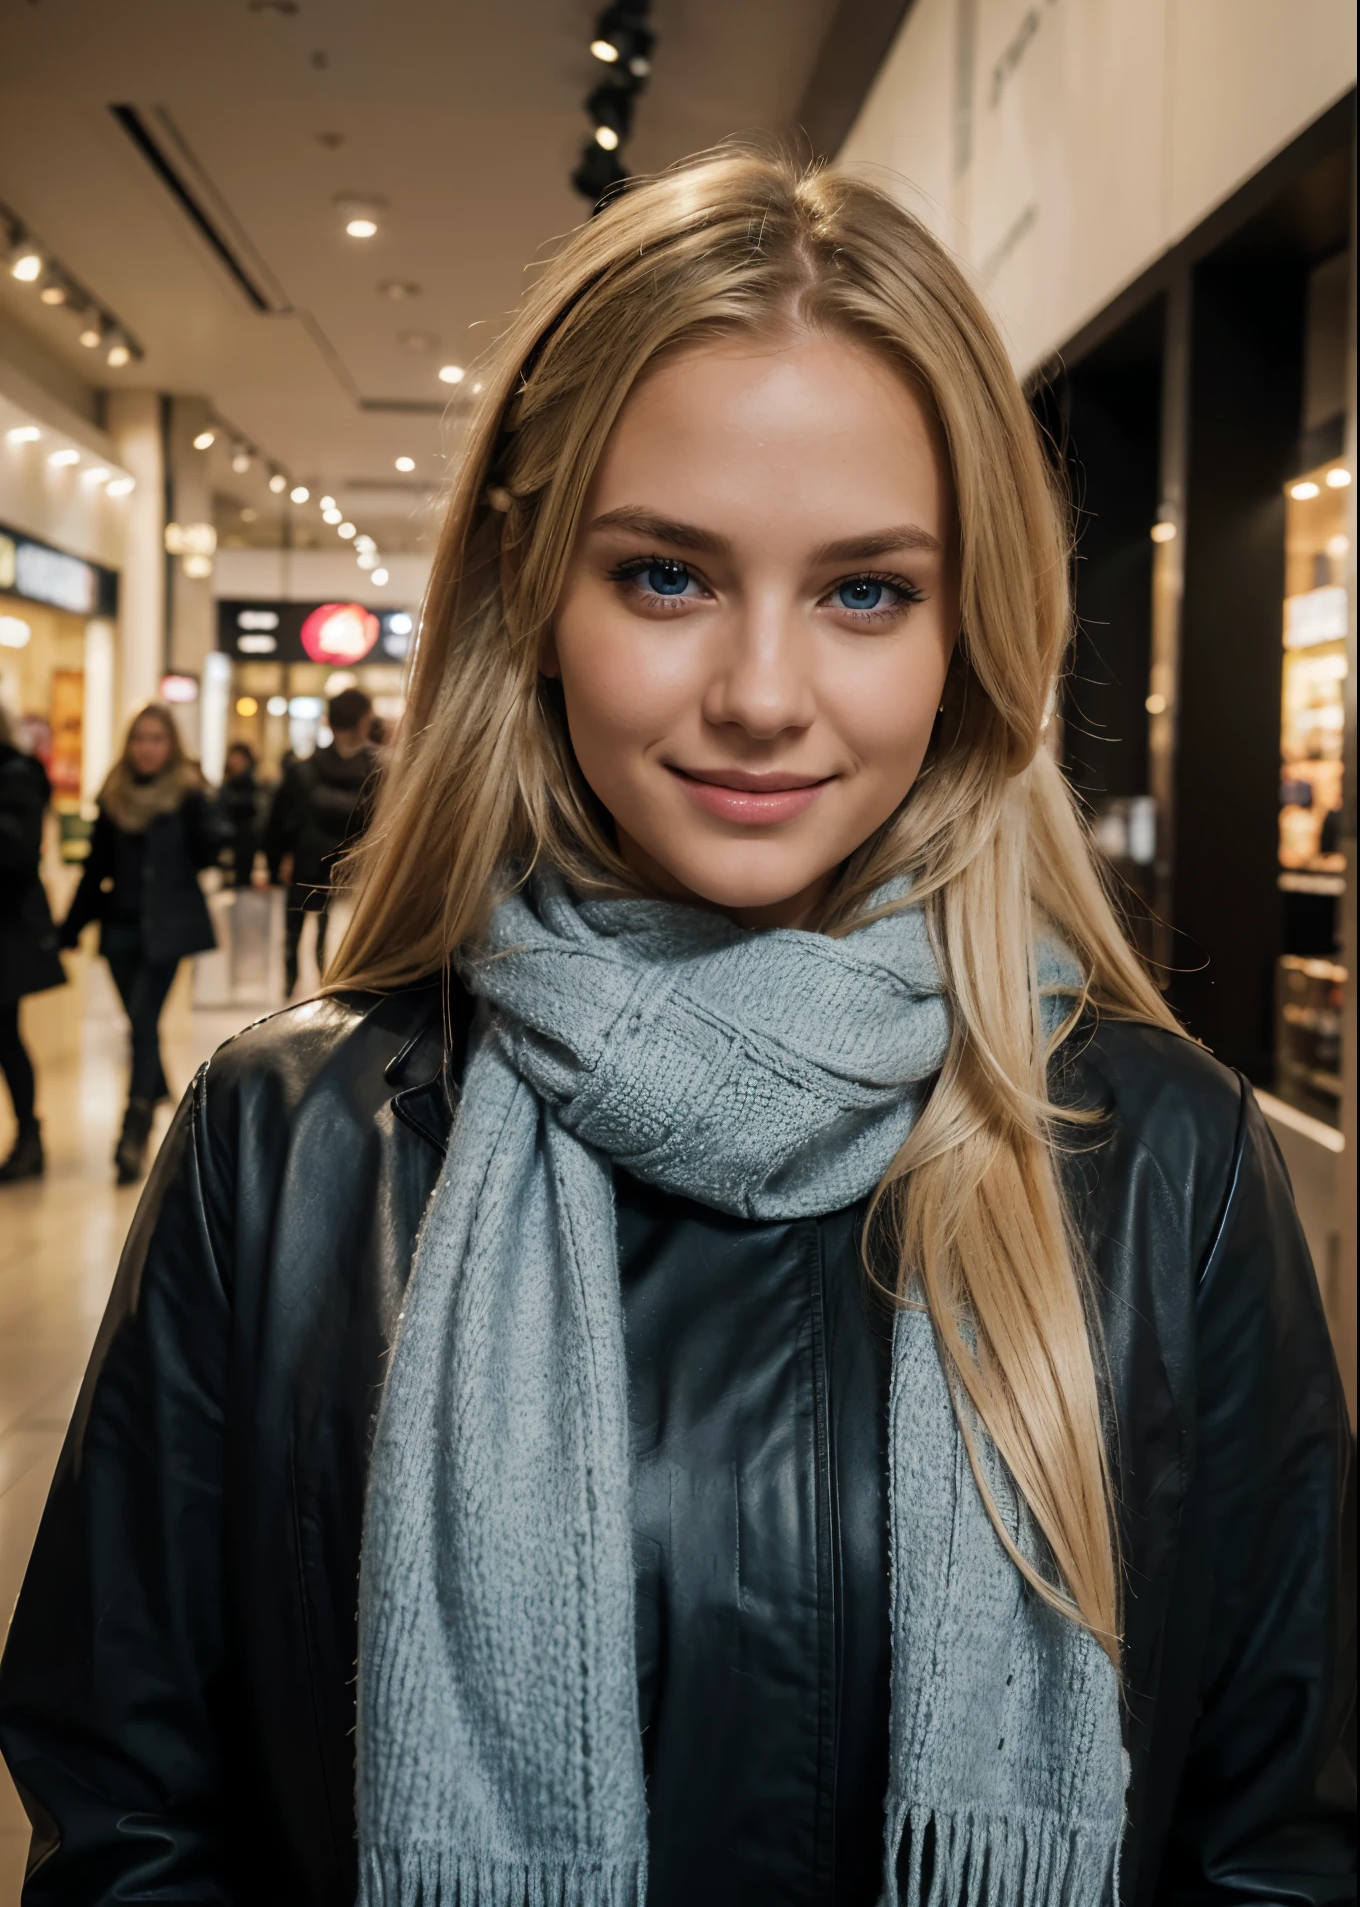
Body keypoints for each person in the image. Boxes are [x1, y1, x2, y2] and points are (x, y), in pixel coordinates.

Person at [0, 154, 1352, 1905]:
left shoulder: (1161, 1155)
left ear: (972, 635)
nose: (764, 694)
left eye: (866, 590)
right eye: (665, 577)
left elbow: (1280, 1841)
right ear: (534, 594)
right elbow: (132, 1822)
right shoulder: (293, 1144)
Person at [56, 703, 227, 1185]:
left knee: (144, 1019)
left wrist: (208, 807)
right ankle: (155, 1091)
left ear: (171, 746)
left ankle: (131, 1132)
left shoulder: (187, 796)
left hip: (167, 930)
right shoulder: (114, 797)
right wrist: (68, 930)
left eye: (156, 739)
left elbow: (211, 850)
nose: (147, 748)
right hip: (120, 931)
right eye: (139, 739)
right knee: (138, 1020)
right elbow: (96, 870)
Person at [265, 686, 379, 996]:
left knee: (295, 926)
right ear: (364, 721)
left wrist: (276, 862)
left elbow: (280, 822)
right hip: (353, 866)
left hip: (304, 859)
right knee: (337, 929)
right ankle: (328, 987)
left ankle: (289, 987)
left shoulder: (304, 769)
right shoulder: (378, 770)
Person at [0, 707, 64, 1181]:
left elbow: (20, 856)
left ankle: (29, 1135)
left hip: (7, 927)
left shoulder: (17, 777)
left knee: (4, 1034)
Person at [219, 738, 264, 888]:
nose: (235, 762)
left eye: (240, 759)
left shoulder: (253, 787)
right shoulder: (226, 786)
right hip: (227, 843)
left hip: (245, 844)